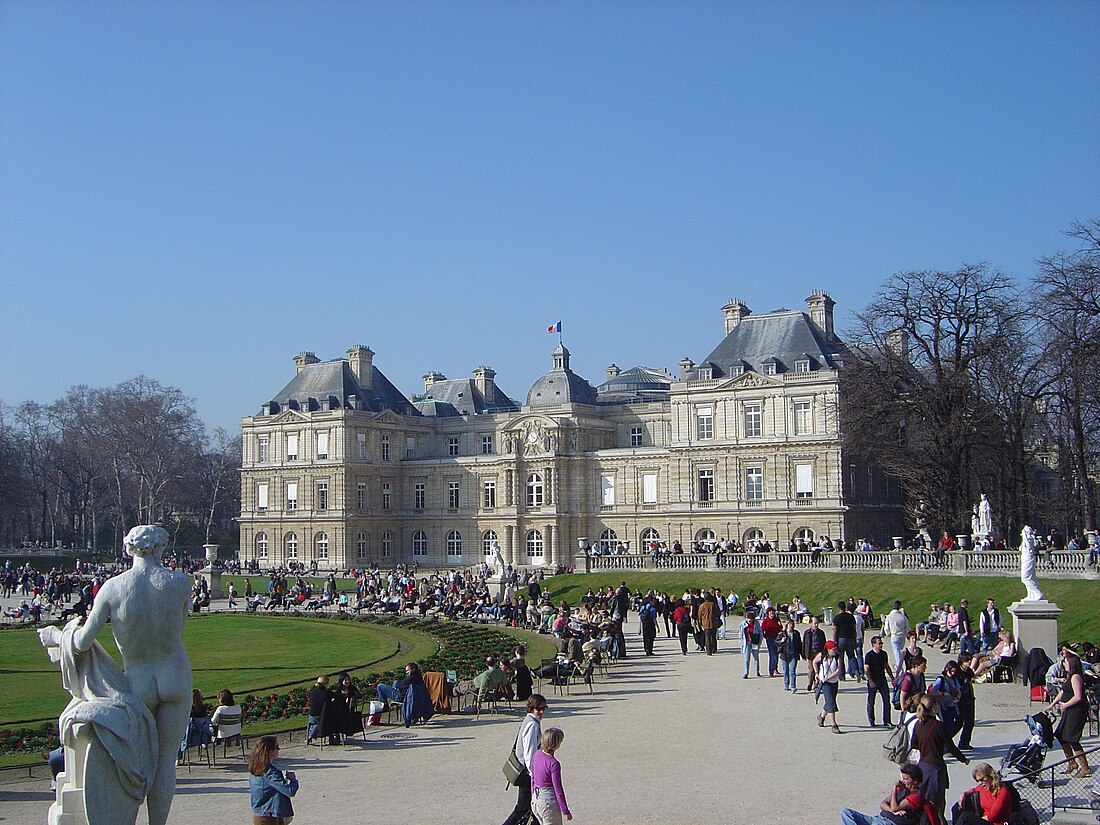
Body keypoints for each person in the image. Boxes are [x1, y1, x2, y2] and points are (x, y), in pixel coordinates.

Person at [48, 524, 192, 825]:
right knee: (166, 761)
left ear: (129, 549)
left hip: (138, 678)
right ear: (160, 547)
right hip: (175, 674)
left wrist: (57, 635)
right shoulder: (181, 582)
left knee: (138, 758)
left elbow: (83, 641)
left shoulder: (113, 587)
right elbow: (180, 625)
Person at [912, 694, 969, 816]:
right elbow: (951, 746)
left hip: (922, 767)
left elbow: (914, 744)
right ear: (933, 707)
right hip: (936, 768)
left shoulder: (918, 724)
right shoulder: (938, 726)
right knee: (938, 804)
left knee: (923, 800)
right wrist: (963, 759)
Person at [501, 694, 547, 825]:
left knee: (533, 809)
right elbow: (530, 755)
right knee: (522, 809)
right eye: (539, 709)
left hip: (525, 772)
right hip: (526, 773)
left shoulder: (529, 720)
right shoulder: (532, 725)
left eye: (544, 708)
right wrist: (534, 775)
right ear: (532, 708)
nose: (542, 712)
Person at [1045, 651, 1092, 778]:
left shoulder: (1076, 677)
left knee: (1072, 738)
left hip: (1076, 710)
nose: (1063, 663)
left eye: (1065, 661)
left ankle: (1085, 767)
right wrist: (1052, 704)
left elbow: (1078, 696)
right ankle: (1071, 762)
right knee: (1060, 734)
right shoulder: (1068, 676)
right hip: (1069, 710)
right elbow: (1063, 692)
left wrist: (1065, 705)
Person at [838, 762, 927, 825]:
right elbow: (882, 804)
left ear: (915, 781)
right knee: (846, 812)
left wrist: (894, 788)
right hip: (878, 818)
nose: (903, 781)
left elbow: (895, 807)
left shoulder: (916, 797)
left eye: (906, 779)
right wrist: (891, 810)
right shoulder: (902, 789)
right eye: (903, 778)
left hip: (890, 822)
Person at [248, 735, 298, 825]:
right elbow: (290, 791)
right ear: (269, 751)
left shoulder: (256, 768)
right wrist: (293, 780)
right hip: (270, 816)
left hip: (259, 814)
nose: (278, 749)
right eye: (276, 747)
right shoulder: (270, 772)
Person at [530, 727, 572, 824]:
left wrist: (533, 796)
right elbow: (558, 789)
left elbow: (533, 778)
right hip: (548, 803)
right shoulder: (554, 764)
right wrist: (565, 811)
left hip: (536, 800)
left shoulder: (536, 755)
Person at [864, 635, 894, 727]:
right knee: (871, 701)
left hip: (882, 679)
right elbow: (867, 668)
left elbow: (886, 666)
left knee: (886, 700)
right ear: (873, 644)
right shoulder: (869, 655)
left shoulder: (884, 654)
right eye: (879, 643)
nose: (881, 645)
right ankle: (871, 720)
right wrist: (870, 681)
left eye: (881, 643)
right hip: (873, 679)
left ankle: (887, 720)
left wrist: (892, 678)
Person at [817, 640, 842, 733]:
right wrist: (817, 673)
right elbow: (814, 662)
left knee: (830, 701)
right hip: (824, 683)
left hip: (833, 682)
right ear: (827, 649)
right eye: (833, 649)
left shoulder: (838, 657)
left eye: (835, 649)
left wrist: (829, 677)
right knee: (831, 703)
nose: (835, 651)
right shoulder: (822, 656)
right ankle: (834, 725)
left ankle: (821, 716)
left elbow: (839, 670)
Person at [778, 618, 803, 693]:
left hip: (793, 655)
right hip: (784, 655)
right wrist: (781, 641)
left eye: (792, 624)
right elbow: (776, 642)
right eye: (789, 624)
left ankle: (793, 686)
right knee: (786, 671)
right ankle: (786, 684)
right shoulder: (782, 633)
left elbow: (799, 644)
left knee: (792, 671)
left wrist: (802, 654)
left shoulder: (796, 633)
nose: (791, 626)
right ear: (786, 625)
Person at [884, 601, 910, 669]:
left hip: (894, 636)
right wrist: (906, 633)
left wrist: (888, 633)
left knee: (896, 652)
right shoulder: (903, 616)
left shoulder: (889, 617)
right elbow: (907, 627)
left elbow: (886, 627)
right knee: (900, 651)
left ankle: (899, 666)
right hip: (902, 636)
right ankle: (900, 665)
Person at [306, 676, 330, 744]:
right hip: (320, 715)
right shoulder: (325, 692)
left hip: (311, 715)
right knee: (319, 722)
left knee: (314, 723)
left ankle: (310, 735)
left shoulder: (313, 690)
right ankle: (310, 736)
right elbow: (334, 696)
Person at [740, 609, 763, 678]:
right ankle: (746, 673)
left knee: (756, 657)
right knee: (746, 658)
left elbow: (760, 633)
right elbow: (740, 635)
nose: (749, 620)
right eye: (748, 618)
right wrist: (741, 644)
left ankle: (757, 671)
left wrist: (759, 642)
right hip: (747, 643)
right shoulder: (742, 624)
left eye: (751, 618)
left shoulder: (756, 623)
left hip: (754, 642)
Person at [762, 607, 782, 676]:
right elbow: (762, 629)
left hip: (777, 638)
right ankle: (771, 670)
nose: (772, 614)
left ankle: (775, 668)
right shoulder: (766, 620)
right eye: (770, 613)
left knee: (776, 654)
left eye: (773, 613)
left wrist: (780, 625)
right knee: (772, 654)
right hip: (770, 639)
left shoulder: (777, 619)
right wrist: (765, 636)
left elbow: (780, 629)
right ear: (768, 614)